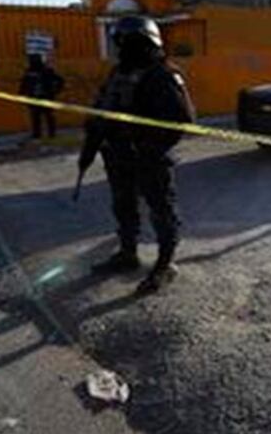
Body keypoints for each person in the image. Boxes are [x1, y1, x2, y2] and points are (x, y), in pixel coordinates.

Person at [79, 16, 196, 294]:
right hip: (118, 157)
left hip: (149, 160)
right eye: (120, 42)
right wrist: (90, 148)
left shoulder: (164, 74)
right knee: (124, 207)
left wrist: (147, 148)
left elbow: (181, 120)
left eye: (128, 43)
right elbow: (101, 112)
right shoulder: (118, 73)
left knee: (161, 211)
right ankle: (127, 253)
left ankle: (165, 264)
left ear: (146, 43)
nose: (122, 48)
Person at [19, 54, 65, 138]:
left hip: (46, 97)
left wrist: (56, 90)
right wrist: (21, 94)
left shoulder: (46, 71)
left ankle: (51, 134)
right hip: (34, 98)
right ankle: (37, 134)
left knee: (48, 116)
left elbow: (60, 80)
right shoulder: (29, 72)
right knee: (36, 117)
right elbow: (24, 84)